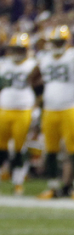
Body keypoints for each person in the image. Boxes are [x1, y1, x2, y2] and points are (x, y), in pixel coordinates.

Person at [36, 25, 74, 201]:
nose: (58, 44)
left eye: (60, 41)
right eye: (55, 41)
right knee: (50, 149)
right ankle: (53, 187)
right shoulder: (45, 58)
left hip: (70, 107)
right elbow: (32, 77)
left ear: (67, 41)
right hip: (50, 109)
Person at [0, 33, 38, 195]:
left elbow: (41, 88)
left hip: (24, 110)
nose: (16, 52)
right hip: (4, 109)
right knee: (1, 147)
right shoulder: (3, 64)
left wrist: (37, 107)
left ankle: (18, 181)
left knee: (19, 148)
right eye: (14, 49)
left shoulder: (33, 65)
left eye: (19, 49)